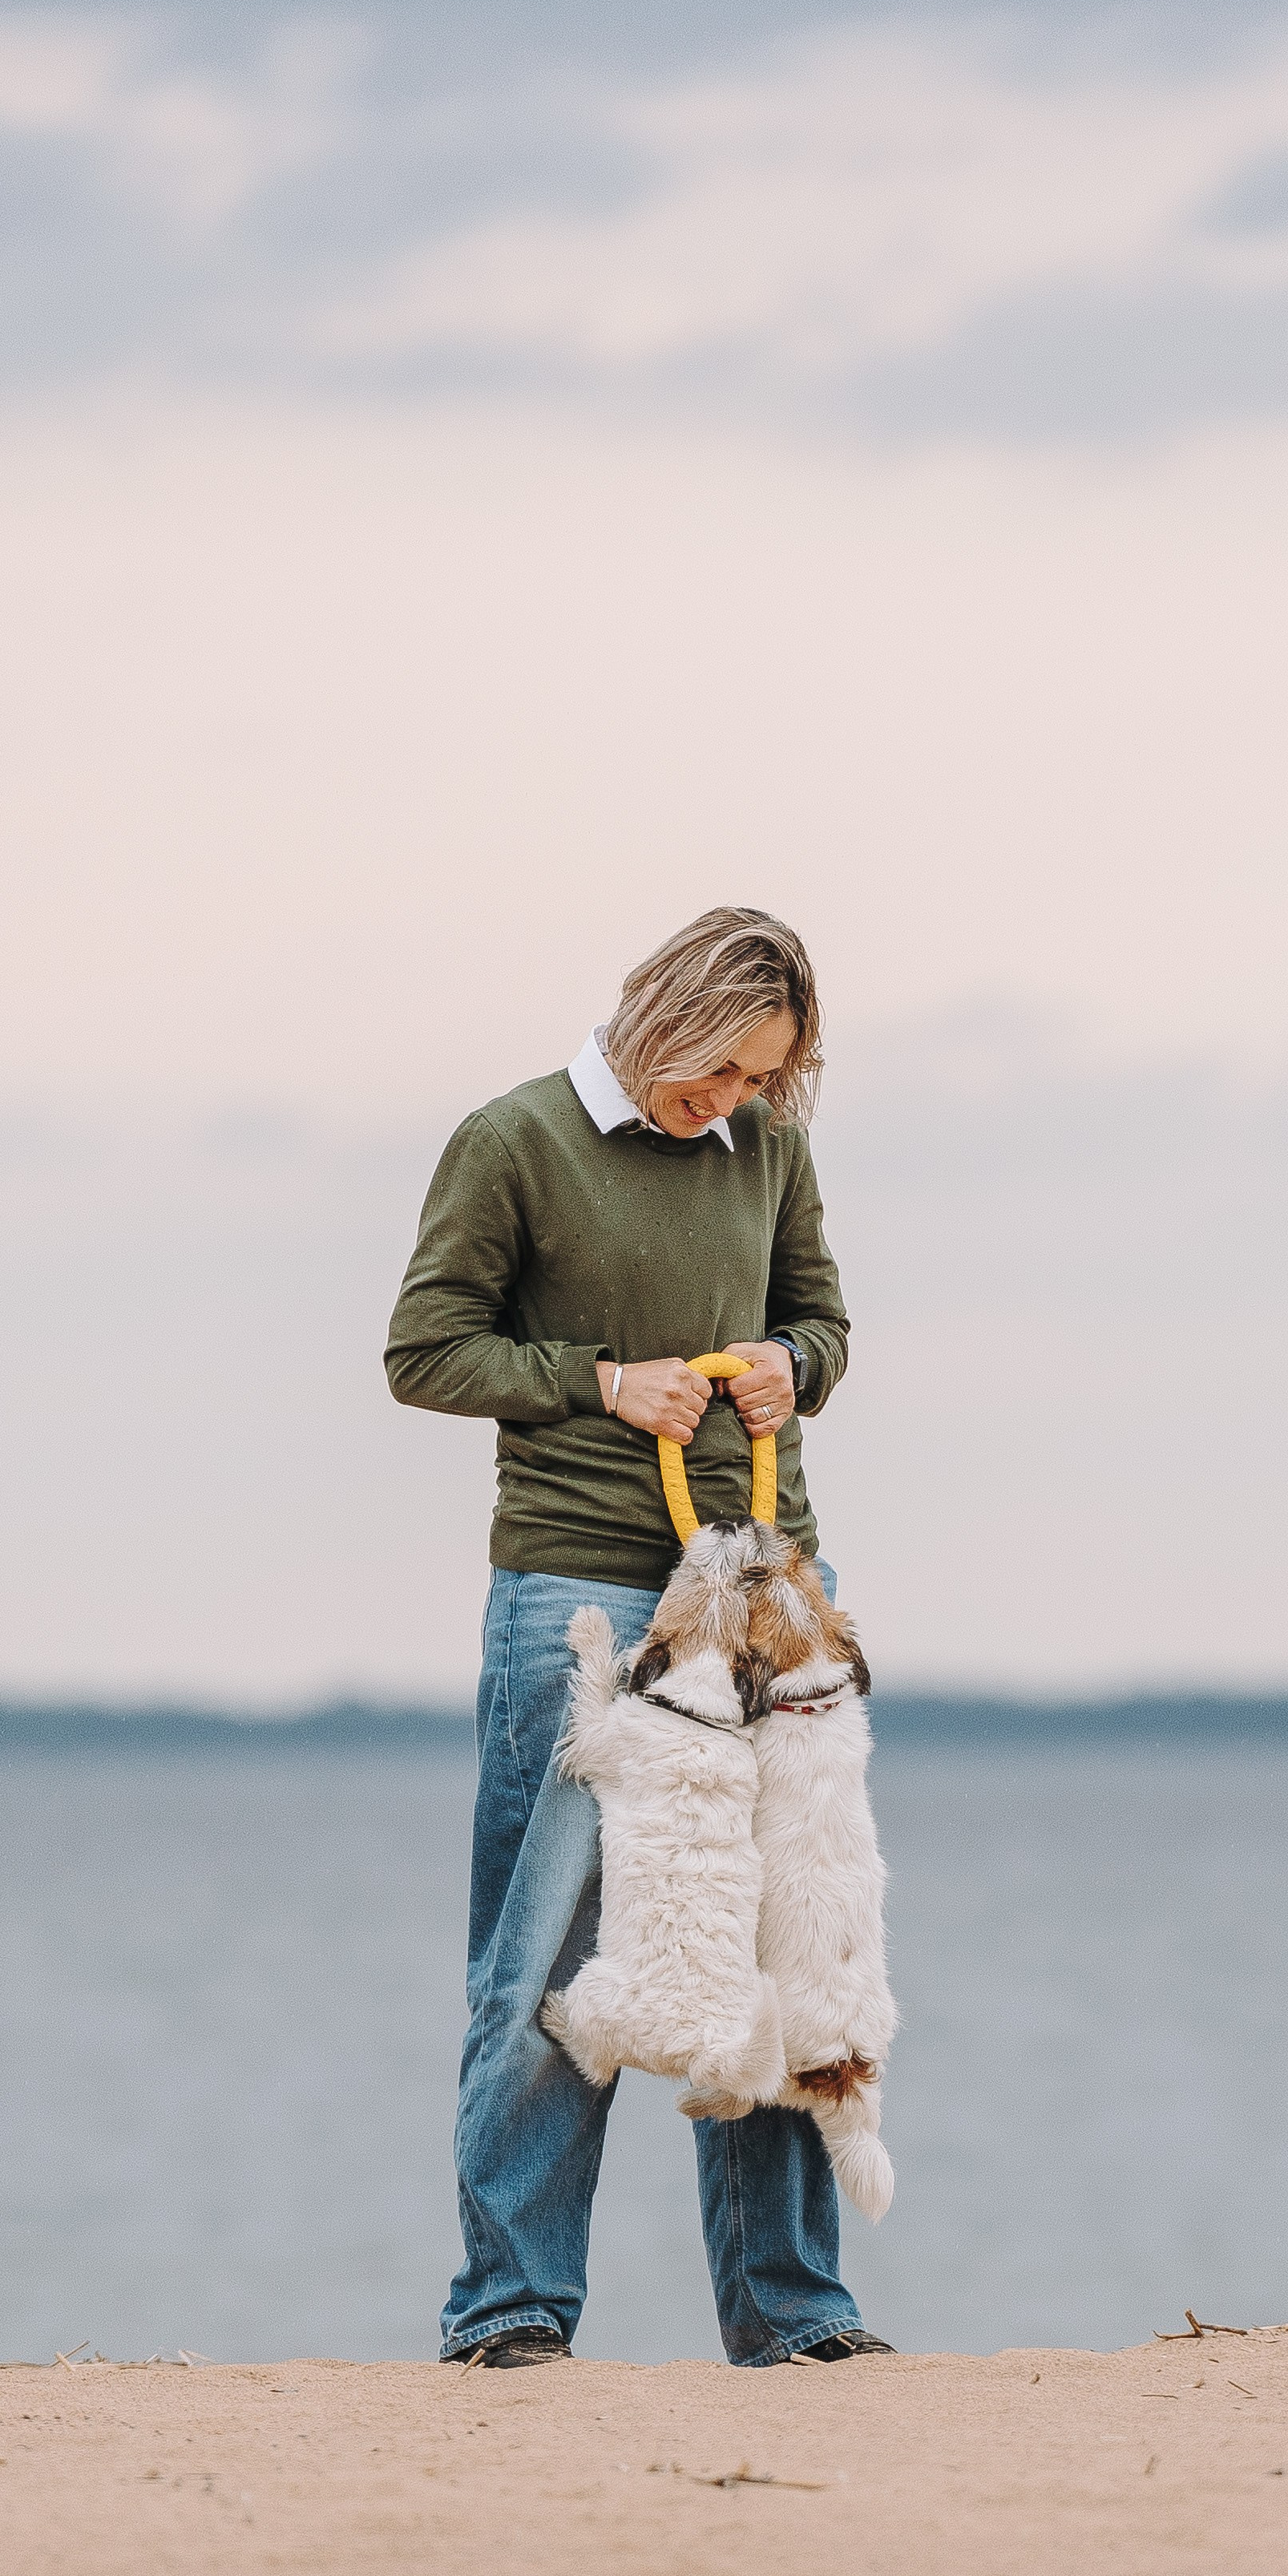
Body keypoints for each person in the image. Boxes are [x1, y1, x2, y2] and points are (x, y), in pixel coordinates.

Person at [385, 905, 894, 2371]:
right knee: (550, 1940)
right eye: (717, 1069)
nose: (727, 1100)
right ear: (667, 1011)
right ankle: (513, 2309)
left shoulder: (771, 1150)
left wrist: (793, 1364)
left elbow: (824, 1322)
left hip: (771, 1581)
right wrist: (607, 1384)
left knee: (790, 1921)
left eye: (759, 1080)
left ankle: (796, 2314)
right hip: (582, 1590)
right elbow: (426, 1348)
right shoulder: (514, 1140)